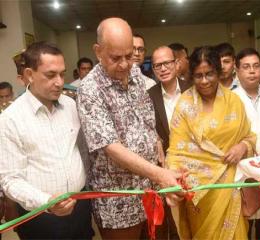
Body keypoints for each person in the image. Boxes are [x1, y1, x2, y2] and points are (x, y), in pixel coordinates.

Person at [77, 18, 183, 239]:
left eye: (129, 55)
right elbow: (111, 147)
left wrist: (158, 150)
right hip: (118, 201)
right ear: (98, 51)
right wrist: (160, 174)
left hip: (149, 190)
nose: (125, 64)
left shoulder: (134, 72)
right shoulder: (90, 90)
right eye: (116, 58)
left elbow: (147, 120)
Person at [0, 41, 93, 239]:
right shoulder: (11, 119)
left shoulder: (70, 105)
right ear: (28, 75)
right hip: (40, 216)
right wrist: (47, 201)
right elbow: (10, 179)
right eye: (51, 75)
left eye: (62, 74)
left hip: (80, 207)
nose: (59, 82)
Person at [166, 46, 256, 239]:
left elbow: (249, 137)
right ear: (192, 76)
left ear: (218, 72)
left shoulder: (234, 102)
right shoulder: (184, 104)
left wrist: (242, 147)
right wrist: (174, 180)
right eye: (198, 76)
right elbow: (176, 151)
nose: (205, 80)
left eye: (209, 74)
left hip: (230, 188)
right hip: (198, 193)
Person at [146, 46, 190, 239]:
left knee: (194, 217)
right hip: (164, 168)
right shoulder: (148, 96)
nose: (163, 69)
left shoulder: (192, 89)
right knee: (170, 224)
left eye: (167, 63)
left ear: (176, 63)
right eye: (157, 66)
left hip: (193, 165)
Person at [233, 48, 260, 239]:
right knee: (242, 229)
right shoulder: (229, 99)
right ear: (237, 70)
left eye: (256, 66)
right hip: (240, 174)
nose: (252, 71)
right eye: (246, 67)